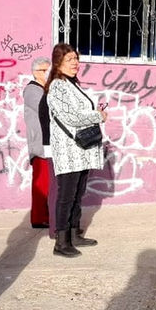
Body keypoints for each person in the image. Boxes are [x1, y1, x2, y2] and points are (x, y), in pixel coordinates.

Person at [46, 43, 106, 257]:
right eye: (69, 59)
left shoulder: (72, 84)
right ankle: (61, 243)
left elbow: (79, 112)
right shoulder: (57, 86)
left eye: (76, 59)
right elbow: (70, 117)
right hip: (68, 151)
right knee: (66, 196)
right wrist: (98, 116)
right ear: (58, 62)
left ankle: (74, 233)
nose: (75, 63)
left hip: (81, 150)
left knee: (78, 194)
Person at [23, 57, 52, 229]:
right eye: (43, 70)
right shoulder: (33, 90)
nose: (47, 74)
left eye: (48, 70)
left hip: (45, 143)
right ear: (35, 72)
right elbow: (46, 109)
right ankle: (39, 217)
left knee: (46, 181)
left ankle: (44, 215)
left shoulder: (42, 89)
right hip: (40, 144)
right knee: (41, 183)